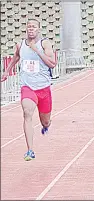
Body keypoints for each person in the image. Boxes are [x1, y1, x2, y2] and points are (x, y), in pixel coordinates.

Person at [1, 19, 56, 161]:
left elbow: (52, 64)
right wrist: (7, 71)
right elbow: (16, 58)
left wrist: (37, 50)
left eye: (34, 27)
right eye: (29, 26)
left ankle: (45, 126)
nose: (31, 29)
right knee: (27, 113)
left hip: (43, 88)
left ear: (38, 29)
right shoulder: (20, 45)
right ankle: (30, 150)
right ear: (26, 29)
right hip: (28, 87)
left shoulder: (44, 44)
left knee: (45, 121)